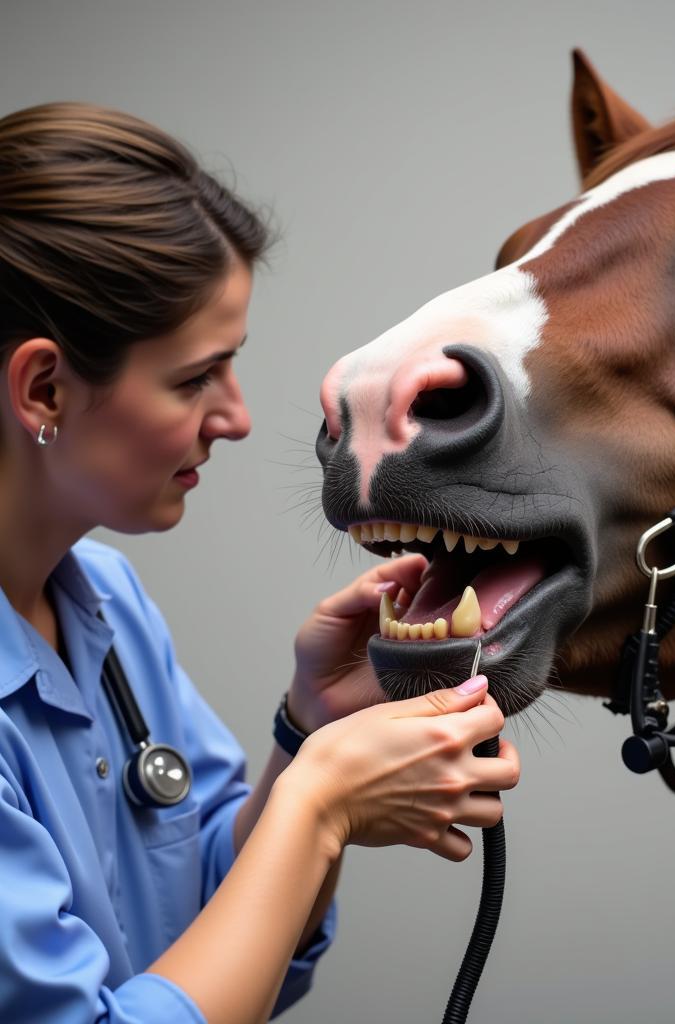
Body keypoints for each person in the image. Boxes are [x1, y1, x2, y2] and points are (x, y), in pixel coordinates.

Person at [0, 101, 520, 1023]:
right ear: (45, 388)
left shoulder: (108, 607)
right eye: (196, 376)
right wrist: (319, 806)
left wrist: (303, 738)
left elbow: (223, 949)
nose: (237, 416)